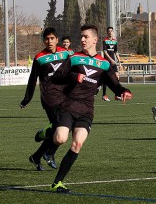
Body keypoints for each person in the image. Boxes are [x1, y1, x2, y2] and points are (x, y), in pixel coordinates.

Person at [49, 25, 132, 193]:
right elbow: (56, 77)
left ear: (95, 40)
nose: (82, 40)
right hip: (69, 106)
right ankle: (48, 131)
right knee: (60, 139)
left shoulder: (104, 63)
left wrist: (123, 91)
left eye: (86, 37)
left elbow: (114, 84)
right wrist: (74, 76)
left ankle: (58, 182)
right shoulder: (73, 58)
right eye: (81, 37)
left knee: (77, 143)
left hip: (86, 110)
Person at [20, 27, 73, 171]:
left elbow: (71, 73)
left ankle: (38, 154)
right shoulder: (39, 57)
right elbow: (32, 79)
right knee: (61, 127)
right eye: (46, 39)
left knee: (64, 127)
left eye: (52, 38)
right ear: (44, 40)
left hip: (64, 96)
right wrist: (27, 99)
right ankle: (49, 153)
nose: (49, 41)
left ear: (57, 39)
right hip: (49, 98)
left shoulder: (65, 54)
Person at [102, 26, 122, 101]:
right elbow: (105, 51)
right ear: (107, 33)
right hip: (107, 62)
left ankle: (117, 95)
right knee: (105, 78)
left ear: (113, 32)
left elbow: (116, 52)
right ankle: (104, 95)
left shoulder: (115, 41)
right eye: (109, 31)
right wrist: (110, 59)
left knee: (117, 77)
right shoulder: (105, 40)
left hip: (113, 62)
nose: (110, 32)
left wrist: (119, 62)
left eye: (111, 31)